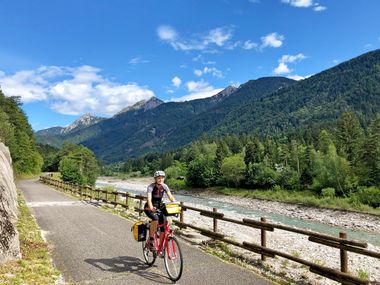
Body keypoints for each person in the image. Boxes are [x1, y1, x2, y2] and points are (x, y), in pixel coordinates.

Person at [144, 170, 176, 251]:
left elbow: (170, 197)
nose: (160, 179)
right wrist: (151, 207)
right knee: (155, 219)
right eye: (158, 178)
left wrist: (175, 204)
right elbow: (149, 198)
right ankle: (151, 239)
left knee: (164, 226)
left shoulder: (164, 186)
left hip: (159, 207)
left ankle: (160, 248)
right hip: (149, 207)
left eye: (162, 178)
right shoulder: (151, 187)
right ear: (155, 179)